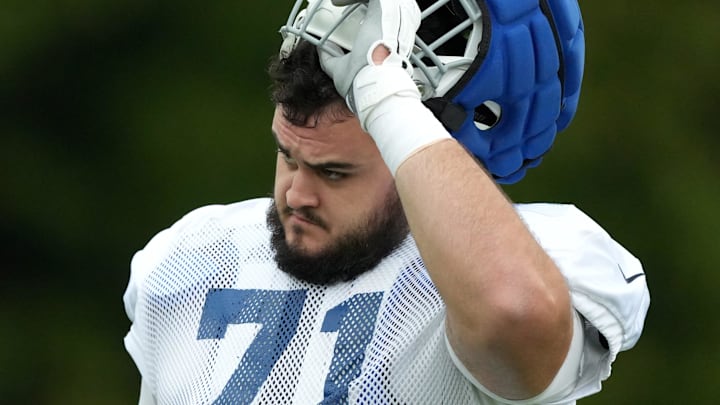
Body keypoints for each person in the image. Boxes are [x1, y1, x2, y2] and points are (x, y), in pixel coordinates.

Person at [123, 0, 650, 403]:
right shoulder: (190, 259)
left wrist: (384, 92)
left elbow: (512, 310)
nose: (296, 195)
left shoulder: (533, 263)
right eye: (287, 156)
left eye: (335, 172)